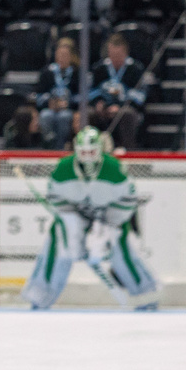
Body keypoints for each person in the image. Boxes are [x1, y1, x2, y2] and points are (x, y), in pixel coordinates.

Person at [21, 126, 158, 309]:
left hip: (109, 218)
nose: (87, 156)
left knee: (121, 253)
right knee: (59, 248)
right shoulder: (63, 168)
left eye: (91, 151)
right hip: (74, 217)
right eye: (83, 151)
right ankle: (40, 298)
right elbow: (56, 200)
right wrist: (74, 226)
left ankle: (147, 297)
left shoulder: (114, 168)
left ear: (100, 150)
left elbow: (129, 200)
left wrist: (106, 225)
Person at [89, 32, 145, 150]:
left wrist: (119, 106)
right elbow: (91, 92)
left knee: (126, 114)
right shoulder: (99, 68)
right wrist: (99, 103)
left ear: (125, 53)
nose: (115, 59)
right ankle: (92, 149)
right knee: (88, 114)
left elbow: (140, 97)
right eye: (112, 55)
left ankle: (129, 151)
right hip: (104, 108)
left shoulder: (135, 69)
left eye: (118, 55)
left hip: (125, 108)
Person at [36, 37, 81, 149]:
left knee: (64, 117)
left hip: (69, 110)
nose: (61, 58)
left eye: (65, 55)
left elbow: (82, 96)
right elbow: (39, 96)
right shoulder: (47, 72)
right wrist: (49, 103)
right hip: (50, 109)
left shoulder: (77, 73)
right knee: (46, 116)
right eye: (59, 54)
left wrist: (69, 103)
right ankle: (48, 147)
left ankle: (60, 148)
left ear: (71, 56)